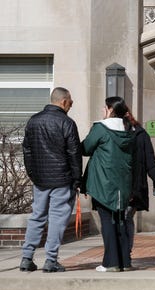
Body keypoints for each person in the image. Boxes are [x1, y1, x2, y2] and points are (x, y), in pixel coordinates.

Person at [20, 87, 82, 273]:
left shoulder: (34, 121)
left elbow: (27, 151)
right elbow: (74, 153)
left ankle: (26, 257)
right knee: (57, 219)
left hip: (40, 180)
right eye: (71, 102)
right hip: (62, 179)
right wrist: (77, 179)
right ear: (63, 101)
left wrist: (33, 174)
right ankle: (51, 260)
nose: (71, 105)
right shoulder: (67, 123)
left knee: (37, 217)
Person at [82, 96, 134, 272]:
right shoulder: (129, 129)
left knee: (107, 222)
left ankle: (111, 262)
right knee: (120, 221)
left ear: (110, 109)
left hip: (103, 184)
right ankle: (124, 262)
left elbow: (86, 148)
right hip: (123, 184)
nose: (103, 110)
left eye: (105, 107)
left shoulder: (101, 128)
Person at [124, 109, 155, 267]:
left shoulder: (140, 135)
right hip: (133, 186)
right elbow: (151, 162)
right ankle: (123, 255)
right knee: (126, 220)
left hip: (132, 186)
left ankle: (124, 255)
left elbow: (149, 161)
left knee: (125, 219)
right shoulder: (140, 133)